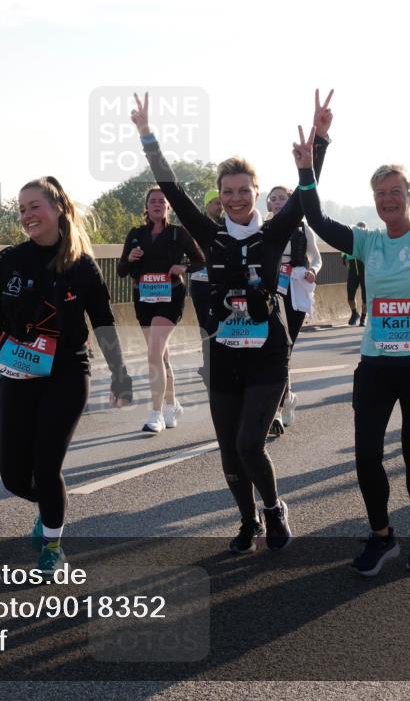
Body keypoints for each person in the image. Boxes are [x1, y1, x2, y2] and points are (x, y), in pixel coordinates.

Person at [132, 88, 333, 554]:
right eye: (228, 192)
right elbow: (175, 191)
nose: (237, 198)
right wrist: (147, 135)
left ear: (257, 194)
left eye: (245, 191)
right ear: (220, 199)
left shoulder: (274, 232)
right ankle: (248, 522)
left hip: (267, 353)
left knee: (249, 444)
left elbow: (305, 196)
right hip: (222, 353)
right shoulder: (211, 235)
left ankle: (274, 507)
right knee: (228, 452)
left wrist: (319, 142)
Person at [302, 114, 410, 575]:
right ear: (374, 202)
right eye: (380, 194)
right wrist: (309, 163)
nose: (387, 200)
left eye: (396, 192)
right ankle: (381, 536)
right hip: (377, 364)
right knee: (365, 452)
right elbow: (315, 217)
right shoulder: (367, 243)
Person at [0, 176, 134, 572]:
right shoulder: (8, 261)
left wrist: (120, 374)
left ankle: (53, 545)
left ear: (58, 209)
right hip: (17, 373)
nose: (27, 215)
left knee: (46, 466)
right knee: (14, 477)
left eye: (35, 206)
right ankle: (51, 507)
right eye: (21, 209)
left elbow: (103, 321)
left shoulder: (82, 266)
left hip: (67, 372)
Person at [118, 186, 205, 432]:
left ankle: (155, 413)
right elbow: (121, 271)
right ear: (146, 207)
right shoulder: (135, 234)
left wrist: (184, 268)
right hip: (143, 298)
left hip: (170, 297)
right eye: (152, 201)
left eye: (161, 201)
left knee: (154, 352)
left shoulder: (178, 234)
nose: (157, 204)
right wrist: (131, 259)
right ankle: (172, 404)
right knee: (160, 356)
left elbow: (201, 260)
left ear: (168, 207)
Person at [265, 185, 323, 434]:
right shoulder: (262, 227)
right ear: (268, 204)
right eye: (273, 199)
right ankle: (279, 407)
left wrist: (312, 271)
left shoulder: (303, 227)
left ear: (291, 202)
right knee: (277, 349)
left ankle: (285, 400)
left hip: (296, 290)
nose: (278, 202)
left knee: (286, 348)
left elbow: (317, 258)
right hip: (272, 291)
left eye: (283, 198)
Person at [191, 189, 224, 390]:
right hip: (200, 282)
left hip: (219, 283)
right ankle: (208, 365)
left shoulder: (228, 225)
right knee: (205, 326)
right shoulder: (197, 226)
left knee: (221, 325)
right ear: (206, 205)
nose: (219, 206)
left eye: (221, 203)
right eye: (215, 203)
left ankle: (219, 363)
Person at [343, 222, 368, 326]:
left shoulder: (368, 239)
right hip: (353, 267)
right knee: (350, 295)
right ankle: (354, 313)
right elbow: (343, 250)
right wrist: (344, 258)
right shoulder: (351, 239)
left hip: (364, 268)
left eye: (362, 229)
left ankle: (363, 317)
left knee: (365, 296)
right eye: (359, 229)